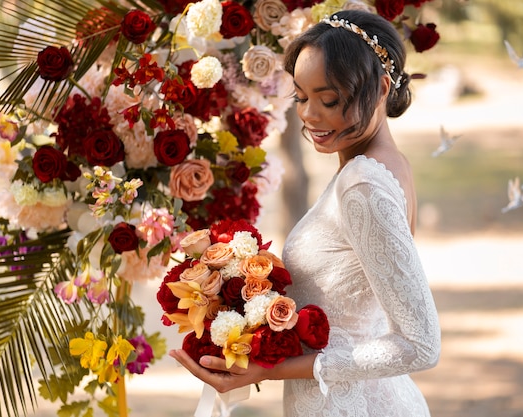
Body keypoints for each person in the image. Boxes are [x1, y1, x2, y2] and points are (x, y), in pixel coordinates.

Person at [169, 9, 441, 416]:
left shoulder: (363, 183)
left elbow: (420, 346)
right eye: (300, 96)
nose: (310, 114)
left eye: (328, 99)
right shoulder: (385, 165)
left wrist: (268, 370)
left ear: (382, 88)